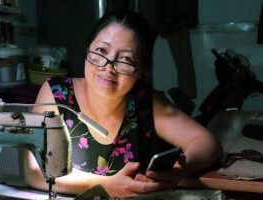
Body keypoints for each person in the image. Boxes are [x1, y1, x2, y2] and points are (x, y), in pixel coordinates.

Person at [23, 10, 223, 197]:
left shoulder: (145, 103)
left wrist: (179, 170)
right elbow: (36, 172)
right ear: (88, 48)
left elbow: (208, 143)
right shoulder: (56, 94)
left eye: (125, 59)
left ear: (141, 70)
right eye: (101, 50)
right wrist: (107, 185)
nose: (108, 67)